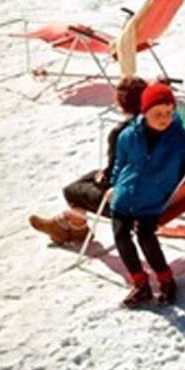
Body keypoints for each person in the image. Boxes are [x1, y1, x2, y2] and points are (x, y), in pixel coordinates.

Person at [109, 82, 185, 307]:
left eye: (169, 113)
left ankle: (166, 280)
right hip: (125, 195)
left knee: (146, 237)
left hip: (154, 197)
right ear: (144, 111)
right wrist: (114, 185)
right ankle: (140, 284)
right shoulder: (128, 135)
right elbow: (120, 163)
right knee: (121, 236)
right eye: (158, 113)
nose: (164, 118)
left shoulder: (180, 139)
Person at [29, 77, 148, 246]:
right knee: (91, 176)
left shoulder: (123, 132)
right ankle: (72, 227)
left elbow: (116, 175)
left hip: (134, 204)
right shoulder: (164, 124)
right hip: (163, 192)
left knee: (72, 191)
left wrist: (105, 177)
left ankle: (74, 226)